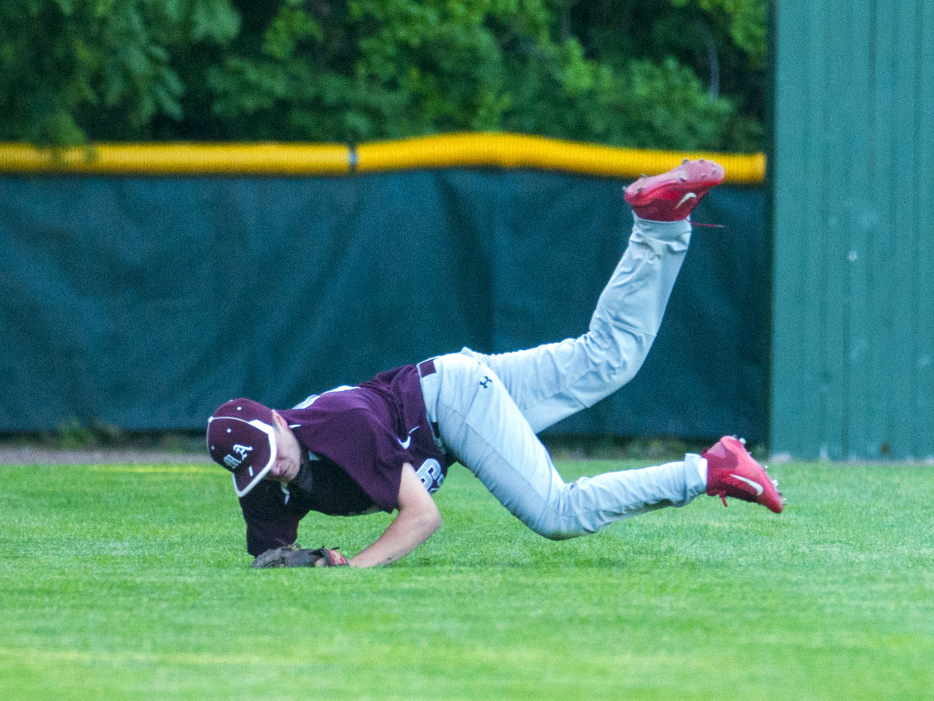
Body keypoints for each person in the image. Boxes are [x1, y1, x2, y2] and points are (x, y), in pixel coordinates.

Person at [206, 159, 784, 569]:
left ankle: (710, 470)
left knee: (557, 510)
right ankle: (660, 226)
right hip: (448, 385)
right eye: (255, 469)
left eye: (270, 452)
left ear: (278, 420)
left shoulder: (336, 427)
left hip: (452, 404)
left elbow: (422, 516)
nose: (272, 469)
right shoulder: (260, 474)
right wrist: (302, 561)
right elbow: (269, 557)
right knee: (611, 357)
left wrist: (354, 567)